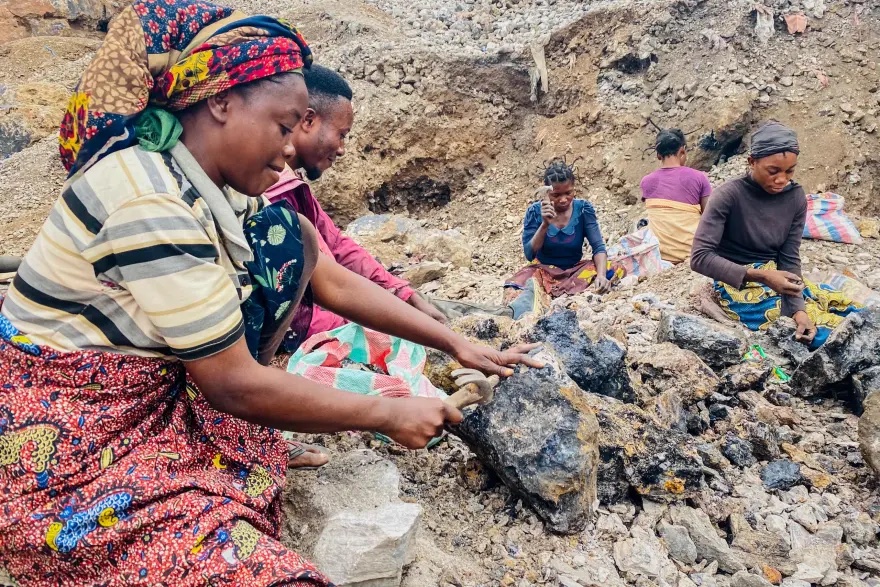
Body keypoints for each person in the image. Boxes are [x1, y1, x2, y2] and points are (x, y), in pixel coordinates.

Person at [0, 2, 541, 584]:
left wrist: (454, 343)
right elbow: (232, 382)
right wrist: (385, 413)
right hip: (69, 433)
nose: (290, 149)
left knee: (288, 237)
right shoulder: (150, 202)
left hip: (149, 390)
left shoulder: (208, 181)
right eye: (284, 128)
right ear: (221, 100)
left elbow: (327, 275)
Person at [264, 65, 446, 349]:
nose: (342, 148)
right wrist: (386, 329)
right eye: (342, 134)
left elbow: (336, 244)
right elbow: (328, 290)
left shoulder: (293, 186)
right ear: (309, 120)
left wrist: (403, 293)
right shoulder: (269, 194)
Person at [691, 121, 862, 349]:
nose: (782, 179)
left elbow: (789, 258)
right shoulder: (727, 196)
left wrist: (797, 309)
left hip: (778, 276)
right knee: (818, 334)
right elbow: (700, 257)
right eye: (773, 171)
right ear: (752, 161)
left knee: (855, 314)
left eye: (789, 171)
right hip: (737, 285)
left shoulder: (795, 198)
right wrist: (762, 277)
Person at [504, 159, 624, 317]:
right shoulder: (535, 212)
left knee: (614, 267)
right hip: (543, 270)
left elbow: (598, 247)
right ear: (547, 193)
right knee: (513, 287)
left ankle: (557, 294)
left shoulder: (583, 209)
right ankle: (565, 293)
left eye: (568, 193)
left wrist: (601, 275)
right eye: (556, 195)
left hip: (574, 269)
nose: (563, 199)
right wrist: (545, 225)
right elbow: (529, 254)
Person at [640, 128, 712, 263]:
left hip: (661, 257)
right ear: (683, 151)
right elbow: (710, 217)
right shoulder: (699, 178)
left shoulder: (646, 182)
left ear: (658, 155)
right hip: (693, 253)